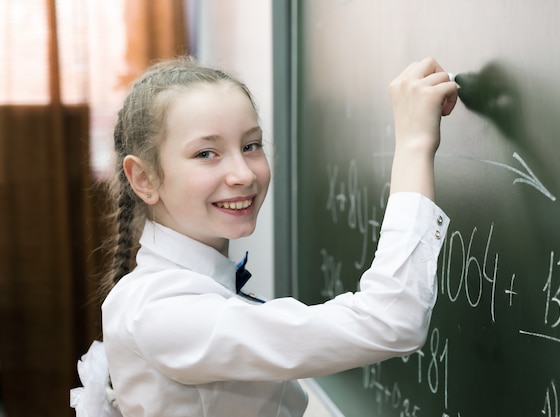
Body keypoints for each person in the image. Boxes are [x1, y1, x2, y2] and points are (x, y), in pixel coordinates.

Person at [71, 55, 457, 417]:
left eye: (251, 145)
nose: (243, 173)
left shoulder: (181, 287)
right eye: (206, 153)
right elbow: (392, 318)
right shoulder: (164, 311)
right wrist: (413, 146)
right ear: (144, 178)